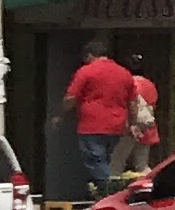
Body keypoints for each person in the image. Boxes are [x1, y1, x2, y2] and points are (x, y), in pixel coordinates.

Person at [59, 44, 139, 192]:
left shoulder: (86, 71)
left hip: (92, 125)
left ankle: (109, 192)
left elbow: (70, 97)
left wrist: (61, 115)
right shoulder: (124, 73)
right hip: (117, 125)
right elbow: (133, 102)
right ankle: (102, 190)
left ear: (90, 55)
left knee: (95, 160)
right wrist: (133, 124)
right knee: (105, 159)